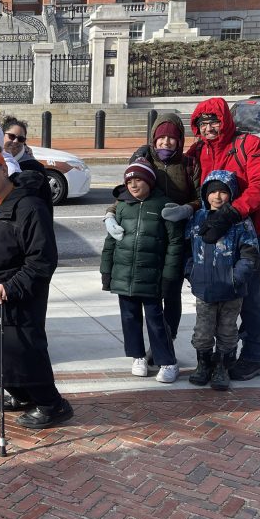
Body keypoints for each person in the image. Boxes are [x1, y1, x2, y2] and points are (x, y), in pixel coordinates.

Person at [0, 150, 74, 430]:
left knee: (24, 350)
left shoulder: (29, 207)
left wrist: (13, 286)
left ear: (3, 170)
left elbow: (43, 258)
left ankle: (52, 405)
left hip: (17, 294)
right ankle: (22, 394)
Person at [186, 97, 260, 381]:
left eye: (214, 121)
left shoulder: (249, 146)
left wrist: (231, 212)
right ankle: (220, 354)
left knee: (246, 292)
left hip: (247, 232)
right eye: (203, 122)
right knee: (214, 294)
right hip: (211, 235)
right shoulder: (198, 150)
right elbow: (177, 176)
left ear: (225, 121)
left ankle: (252, 354)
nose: (209, 127)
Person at [103, 113, 201, 349]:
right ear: (154, 138)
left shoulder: (188, 165)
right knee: (148, 297)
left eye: (172, 138)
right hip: (146, 237)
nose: (166, 143)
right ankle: (149, 346)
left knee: (171, 291)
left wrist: (187, 209)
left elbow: (199, 197)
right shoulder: (144, 159)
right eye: (161, 137)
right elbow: (129, 191)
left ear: (179, 140)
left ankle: (167, 342)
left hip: (176, 237)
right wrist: (110, 214)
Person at [100, 159, 183, 384]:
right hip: (124, 276)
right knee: (129, 318)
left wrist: (169, 276)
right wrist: (106, 271)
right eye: (129, 181)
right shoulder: (123, 206)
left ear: (149, 181)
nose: (133, 185)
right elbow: (111, 241)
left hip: (152, 277)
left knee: (156, 320)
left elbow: (175, 244)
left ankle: (167, 361)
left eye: (138, 180)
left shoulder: (163, 205)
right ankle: (138, 357)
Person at [184, 170, 260, 391]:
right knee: (203, 330)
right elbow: (187, 250)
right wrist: (192, 273)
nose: (217, 196)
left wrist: (236, 278)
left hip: (231, 289)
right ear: (205, 194)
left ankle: (223, 366)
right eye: (213, 191)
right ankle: (203, 364)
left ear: (231, 194)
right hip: (204, 288)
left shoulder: (241, 222)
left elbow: (249, 253)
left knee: (227, 330)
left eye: (223, 192)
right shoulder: (197, 219)